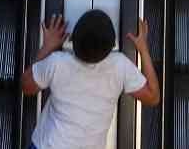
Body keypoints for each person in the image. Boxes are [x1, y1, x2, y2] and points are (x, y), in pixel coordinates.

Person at [21, 11, 161, 149]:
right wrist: (143, 48)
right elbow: (153, 96)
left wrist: (47, 47)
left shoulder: (57, 63)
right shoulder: (119, 66)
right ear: (112, 46)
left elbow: (26, 86)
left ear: (72, 39)